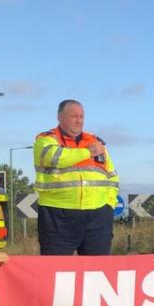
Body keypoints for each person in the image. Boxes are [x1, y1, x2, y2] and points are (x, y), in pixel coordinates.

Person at [33, 99, 120, 255]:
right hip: (58, 216)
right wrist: (87, 152)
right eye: (74, 116)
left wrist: (109, 206)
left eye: (81, 116)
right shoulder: (46, 140)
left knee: (97, 272)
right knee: (56, 271)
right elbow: (54, 158)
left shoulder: (96, 142)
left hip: (97, 217)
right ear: (60, 117)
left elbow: (112, 177)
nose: (79, 121)